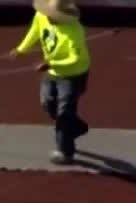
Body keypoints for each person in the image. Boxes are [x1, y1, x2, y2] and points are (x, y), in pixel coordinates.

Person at [10, 0, 91, 165]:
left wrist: (51, 64)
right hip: (52, 71)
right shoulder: (41, 16)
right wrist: (21, 49)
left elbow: (75, 59)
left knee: (64, 112)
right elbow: (34, 32)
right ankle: (76, 127)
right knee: (47, 103)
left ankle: (65, 151)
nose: (50, 19)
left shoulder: (74, 30)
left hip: (73, 74)